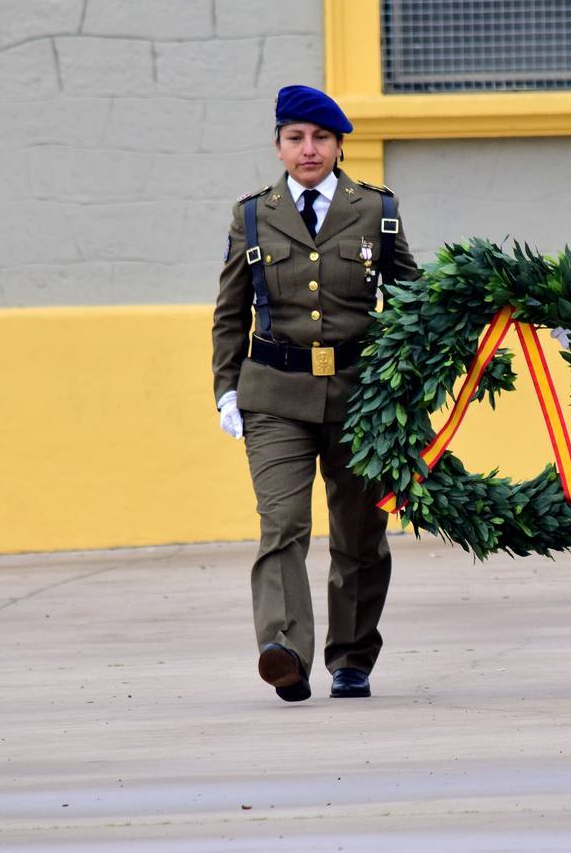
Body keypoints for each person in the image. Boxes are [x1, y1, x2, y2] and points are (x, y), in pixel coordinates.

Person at [212, 85, 419, 702]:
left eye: (321, 138)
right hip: (274, 391)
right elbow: (230, 311)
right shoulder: (252, 214)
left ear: (338, 145)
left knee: (359, 534)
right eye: (296, 138)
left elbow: (412, 300)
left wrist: (411, 381)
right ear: (277, 146)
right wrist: (225, 389)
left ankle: (351, 657)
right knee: (281, 523)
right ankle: (284, 649)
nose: (309, 149)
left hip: (359, 395)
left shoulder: (376, 209)